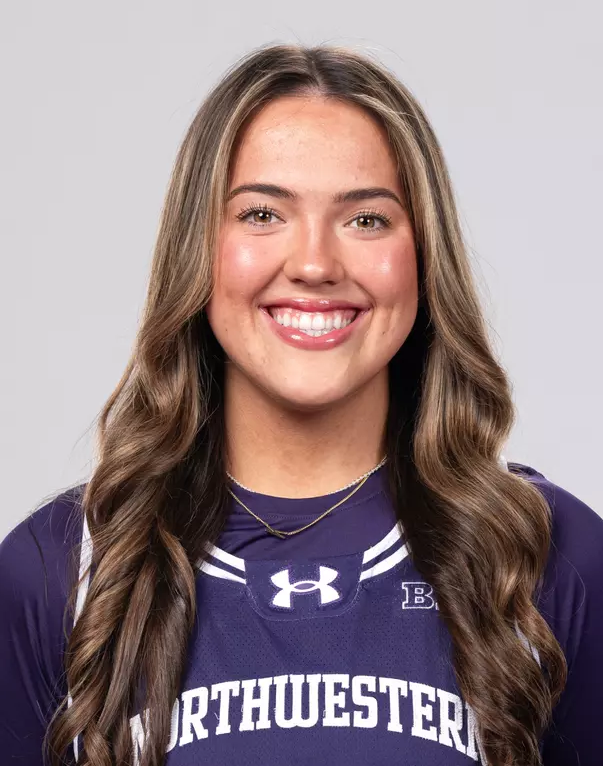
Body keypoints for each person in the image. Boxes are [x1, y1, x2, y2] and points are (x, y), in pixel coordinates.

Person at [0, 43, 601, 766]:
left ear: (423, 253)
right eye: (261, 213)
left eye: (366, 220)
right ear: (199, 248)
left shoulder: (542, 554)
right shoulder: (64, 568)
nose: (314, 264)